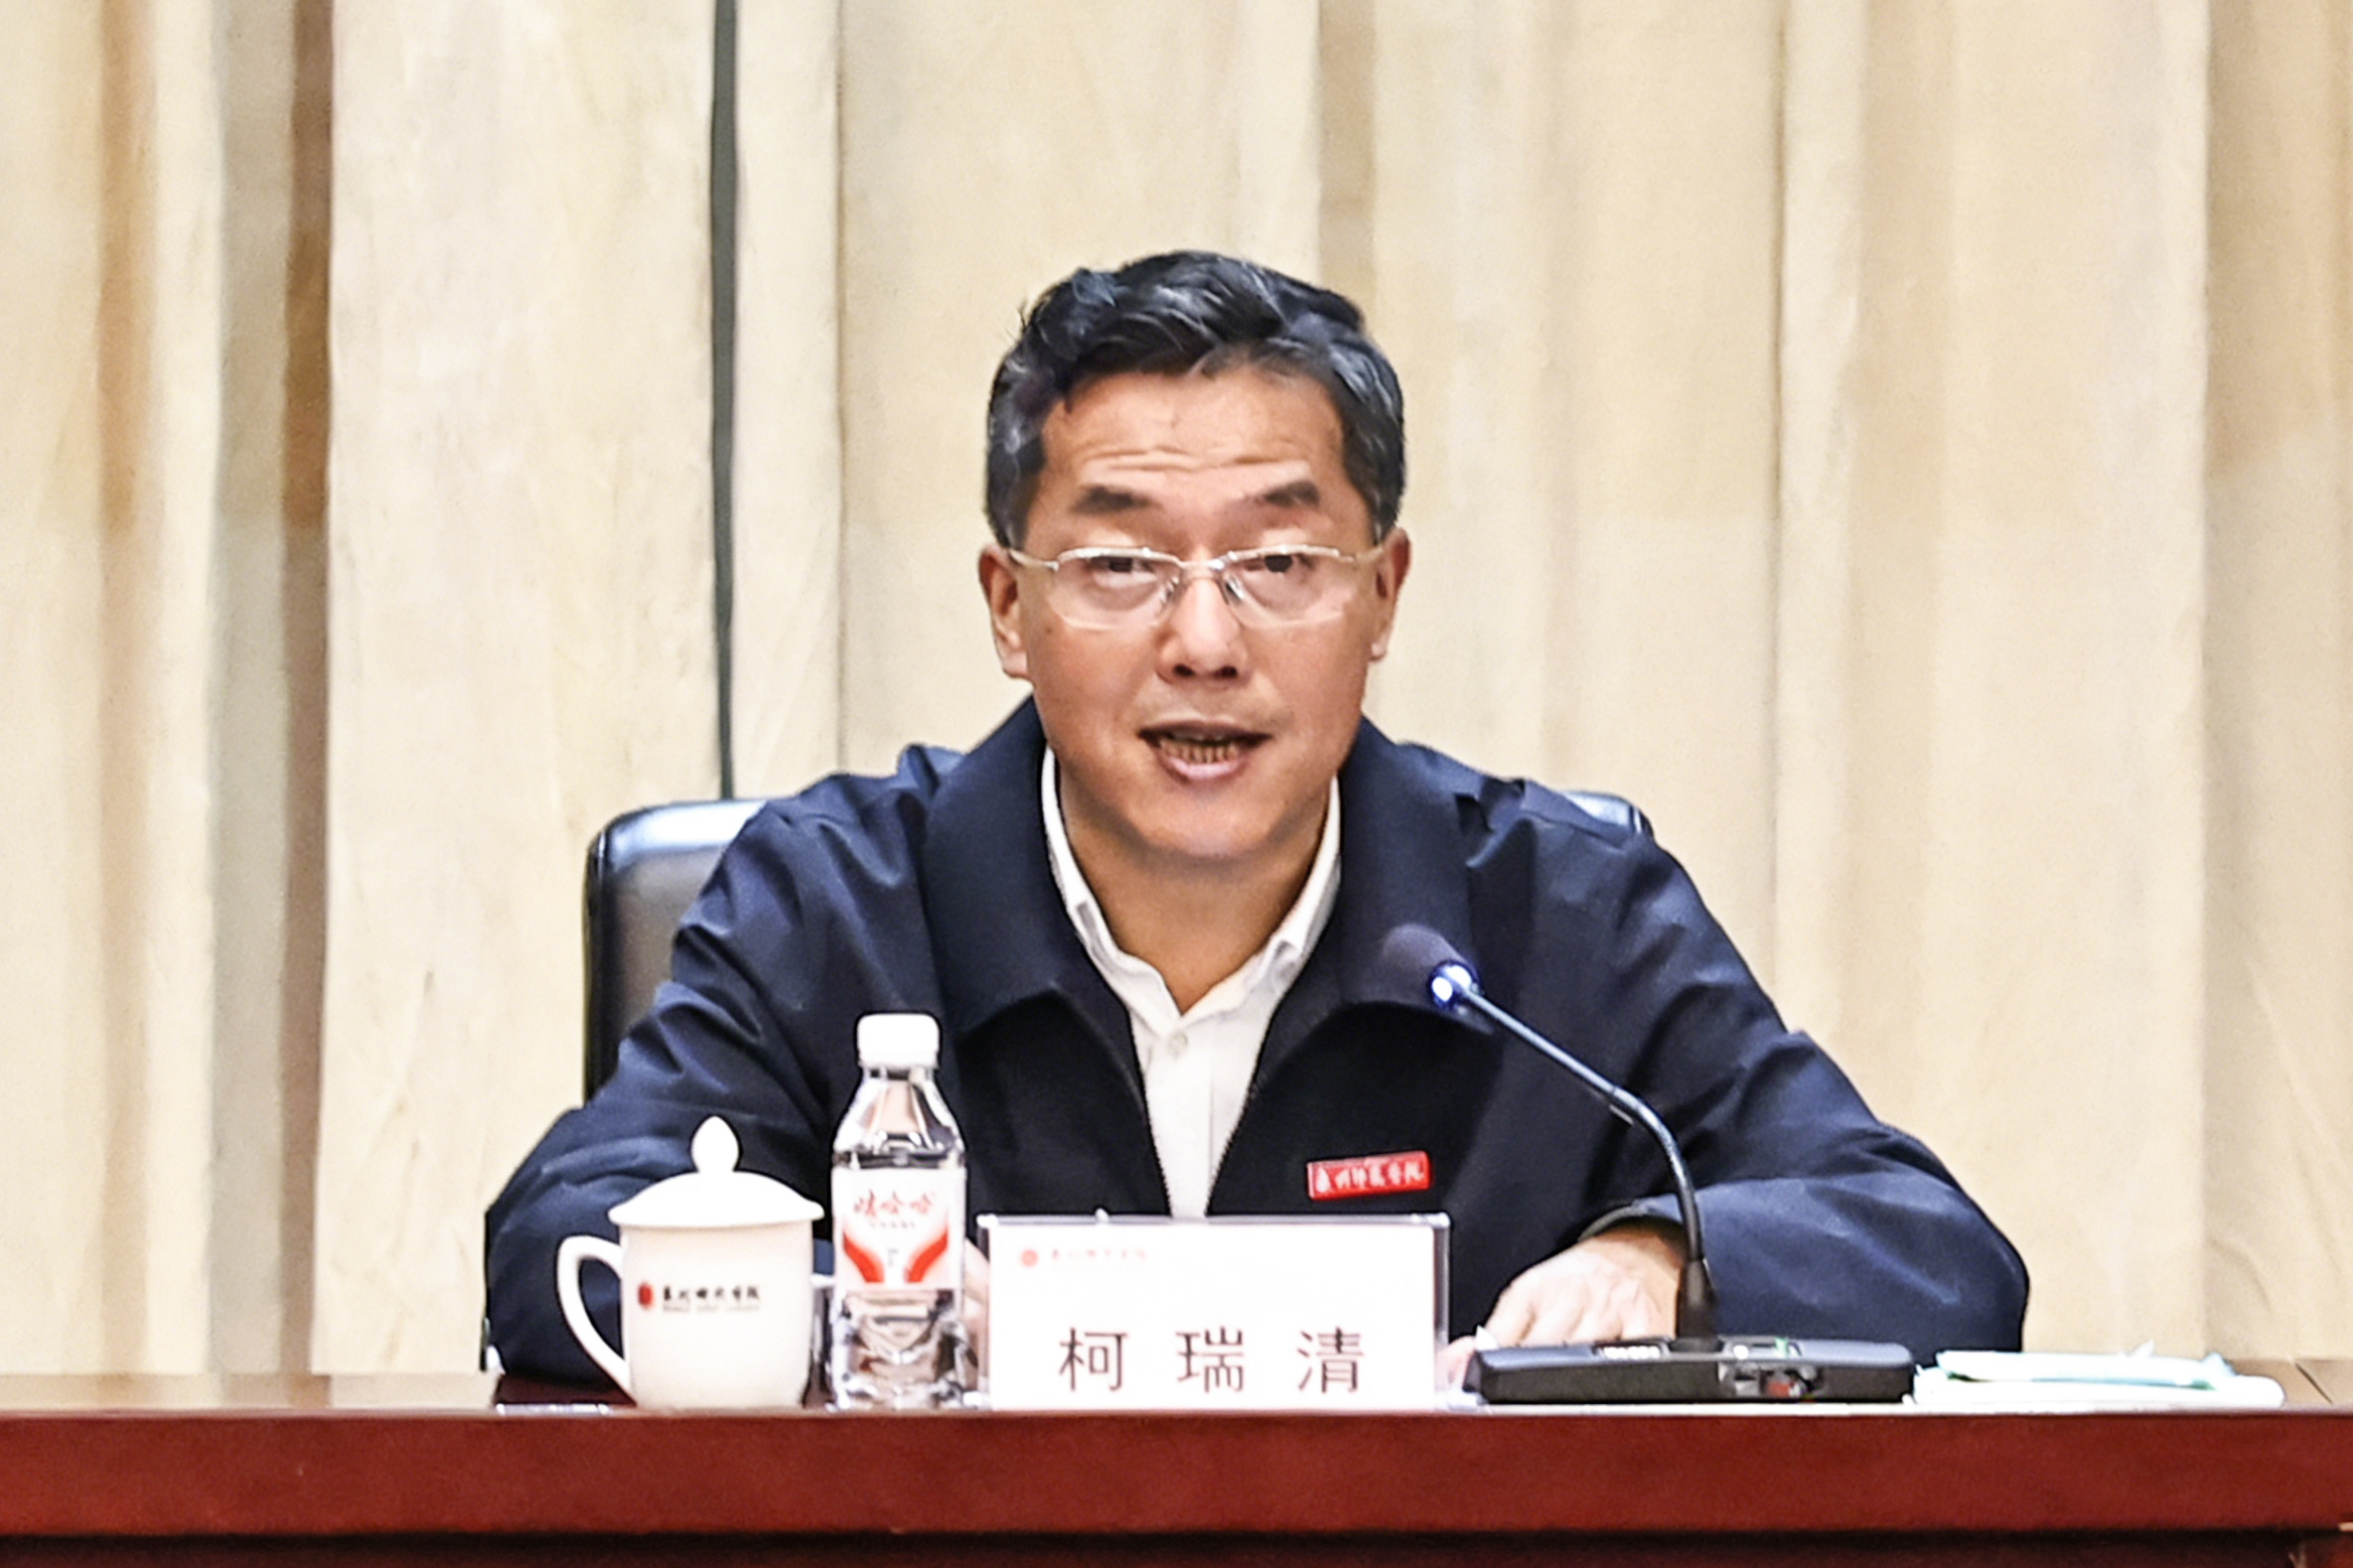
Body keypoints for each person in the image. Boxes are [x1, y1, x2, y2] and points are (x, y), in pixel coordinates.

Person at [485, 250, 2025, 1385]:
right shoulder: (837, 902)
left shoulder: (1560, 915)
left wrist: (1665, 1255)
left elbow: (1934, 1255)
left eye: (1278, 565)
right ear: (1008, 608)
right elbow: (561, 1238)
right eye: (1121, 564)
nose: (1204, 642)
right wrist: (854, 1300)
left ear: (1383, 595)